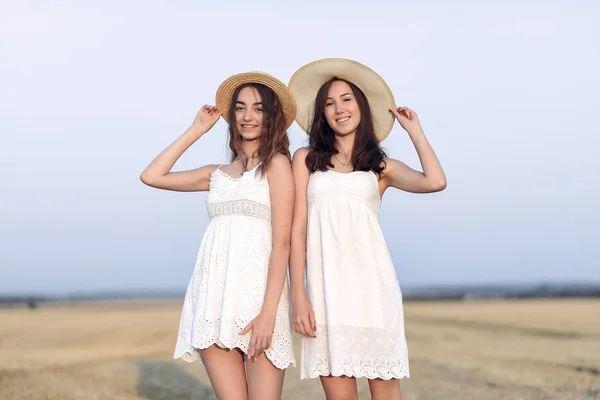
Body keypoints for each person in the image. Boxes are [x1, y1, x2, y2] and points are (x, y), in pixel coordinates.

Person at [288, 58, 447, 400]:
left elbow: (435, 182)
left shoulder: (380, 166)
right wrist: (297, 295)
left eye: (346, 99)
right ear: (321, 114)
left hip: (374, 293)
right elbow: (297, 228)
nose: (338, 109)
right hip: (326, 293)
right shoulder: (305, 160)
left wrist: (414, 130)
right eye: (329, 103)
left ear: (361, 106)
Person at [140, 71, 297, 400]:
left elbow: (283, 242)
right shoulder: (216, 175)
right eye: (240, 108)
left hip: (260, 303)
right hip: (214, 299)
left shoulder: (278, 166)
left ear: (272, 117)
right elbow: (152, 175)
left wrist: (268, 313)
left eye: (258, 108)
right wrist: (197, 129)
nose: (248, 116)